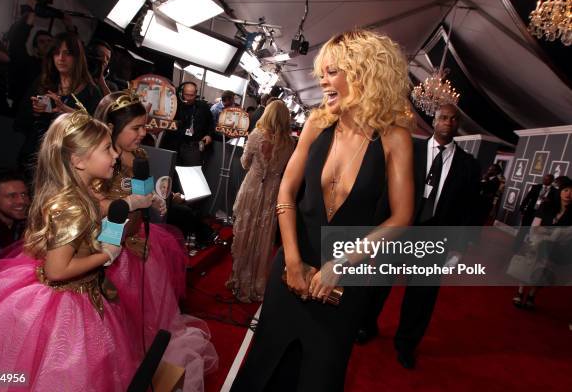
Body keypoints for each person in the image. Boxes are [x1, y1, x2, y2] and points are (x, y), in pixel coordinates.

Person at [231, 29, 414, 391]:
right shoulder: (317, 123)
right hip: (291, 268)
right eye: (322, 72)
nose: (322, 80)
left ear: (363, 73)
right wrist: (293, 261)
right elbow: (286, 189)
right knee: (265, 367)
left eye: (332, 71)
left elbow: (402, 217)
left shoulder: (395, 138)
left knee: (320, 375)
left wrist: (340, 266)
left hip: (344, 280)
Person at [0, 111, 144, 390]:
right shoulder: (71, 206)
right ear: (78, 160)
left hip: (85, 292)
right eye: (107, 149)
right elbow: (57, 270)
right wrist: (106, 254)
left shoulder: (82, 194)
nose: (115, 155)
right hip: (66, 303)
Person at [93, 91, 218, 390]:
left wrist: (157, 200)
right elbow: (93, 207)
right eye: (136, 128)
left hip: (137, 241)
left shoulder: (140, 156)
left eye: (144, 126)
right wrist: (127, 212)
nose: (143, 133)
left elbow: (144, 192)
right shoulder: (98, 157)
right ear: (111, 127)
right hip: (105, 250)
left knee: (144, 322)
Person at [359, 103, 482, 369]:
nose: (447, 122)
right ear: (434, 120)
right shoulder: (410, 149)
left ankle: (406, 345)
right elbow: (386, 191)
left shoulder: (469, 165)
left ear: (457, 123)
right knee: (378, 284)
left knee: (421, 297)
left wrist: (458, 247)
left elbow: (470, 209)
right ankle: (366, 326)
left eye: (452, 118)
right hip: (398, 231)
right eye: (442, 117)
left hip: (436, 238)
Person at [226, 100, 295, 303]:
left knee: (245, 233)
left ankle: (239, 281)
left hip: (253, 187)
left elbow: (245, 162)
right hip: (273, 190)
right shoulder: (289, 143)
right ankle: (257, 285)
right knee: (263, 238)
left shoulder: (256, 136)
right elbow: (286, 170)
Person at [14, 32, 102, 177]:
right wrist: (36, 112)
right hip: (35, 156)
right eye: (56, 53)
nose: (61, 58)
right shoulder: (43, 83)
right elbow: (20, 121)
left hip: (67, 163)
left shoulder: (91, 91)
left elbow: (95, 130)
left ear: (77, 57)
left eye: (67, 53)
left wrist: (65, 110)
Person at [512, 176, 572, 309]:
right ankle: (520, 292)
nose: (569, 194)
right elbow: (536, 227)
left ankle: (532, 295)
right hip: (536, 243)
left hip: (554, 249)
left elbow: (568, 235)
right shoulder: (547, 206)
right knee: (527, 268)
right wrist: (550, 234)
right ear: (560, 191)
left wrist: (550, 234)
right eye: (566, 190)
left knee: (543, 273)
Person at [161, 81, 214, 166]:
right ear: (182, 93)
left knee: (190, 172)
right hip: (174, 144)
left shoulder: (203, 107)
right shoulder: (174, 105)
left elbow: (211, 123)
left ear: (196, 94)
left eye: (192, 95)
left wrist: (209, 135)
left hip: (193, 146)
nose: (189, 98)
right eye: (186, 95)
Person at [513, 174, 557, 251]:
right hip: (530, 212)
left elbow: (555, 204)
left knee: (537, 234)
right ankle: (516, 247)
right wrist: (522, 208)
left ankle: (532, 251)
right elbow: (527, 198)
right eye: (544, 179)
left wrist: (549, 201)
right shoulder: (536, 187)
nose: (545, 180)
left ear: (552, 181)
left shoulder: (555, 191)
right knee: (523, 230)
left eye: (547, 179)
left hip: (542, 215)